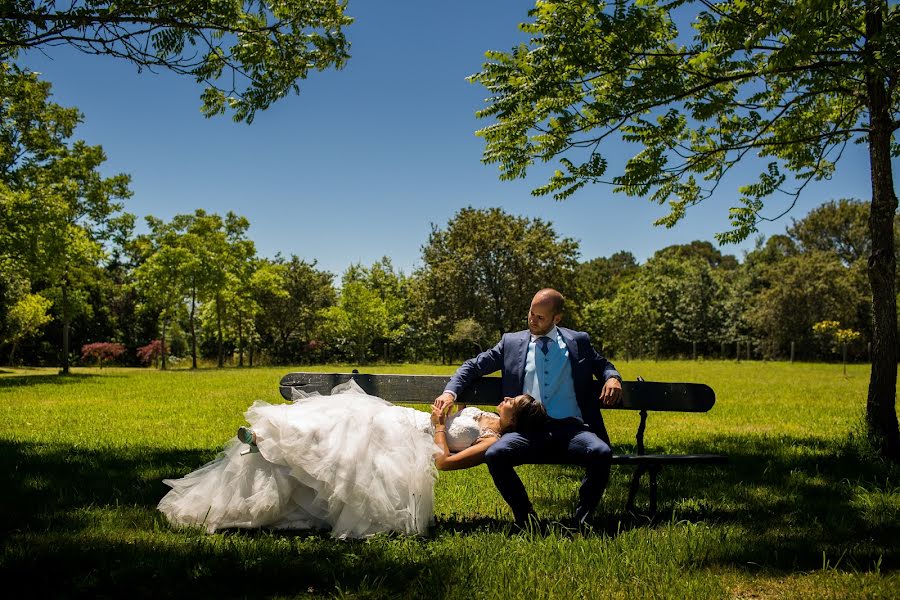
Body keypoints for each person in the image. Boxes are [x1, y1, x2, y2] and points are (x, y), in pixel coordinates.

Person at [157, 379, 546, 539]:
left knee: (342, 436)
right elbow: (453, 405)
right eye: (513, 397)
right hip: (401, 419)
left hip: (411, 441)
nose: (509, 398)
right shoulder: (488, 416)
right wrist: (449, 405)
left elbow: (443, 461)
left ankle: (273, 437)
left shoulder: (492, 440)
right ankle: (272, 435)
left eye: (516, 403)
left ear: (516, 420)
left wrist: (439, 424)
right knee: (343, 418)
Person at [433, 288, 623, 527]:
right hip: (526, 432)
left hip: (572, 429)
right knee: (495, 454)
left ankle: (582, 522)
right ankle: (527, 520)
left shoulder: (578, 342)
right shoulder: (511, 343)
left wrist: (612, 377)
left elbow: (602, 364)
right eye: (531, 313)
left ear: (557, 318)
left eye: (540, 317)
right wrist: (450, 393)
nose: (533, 320)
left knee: (601, 452)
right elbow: (473, 366)